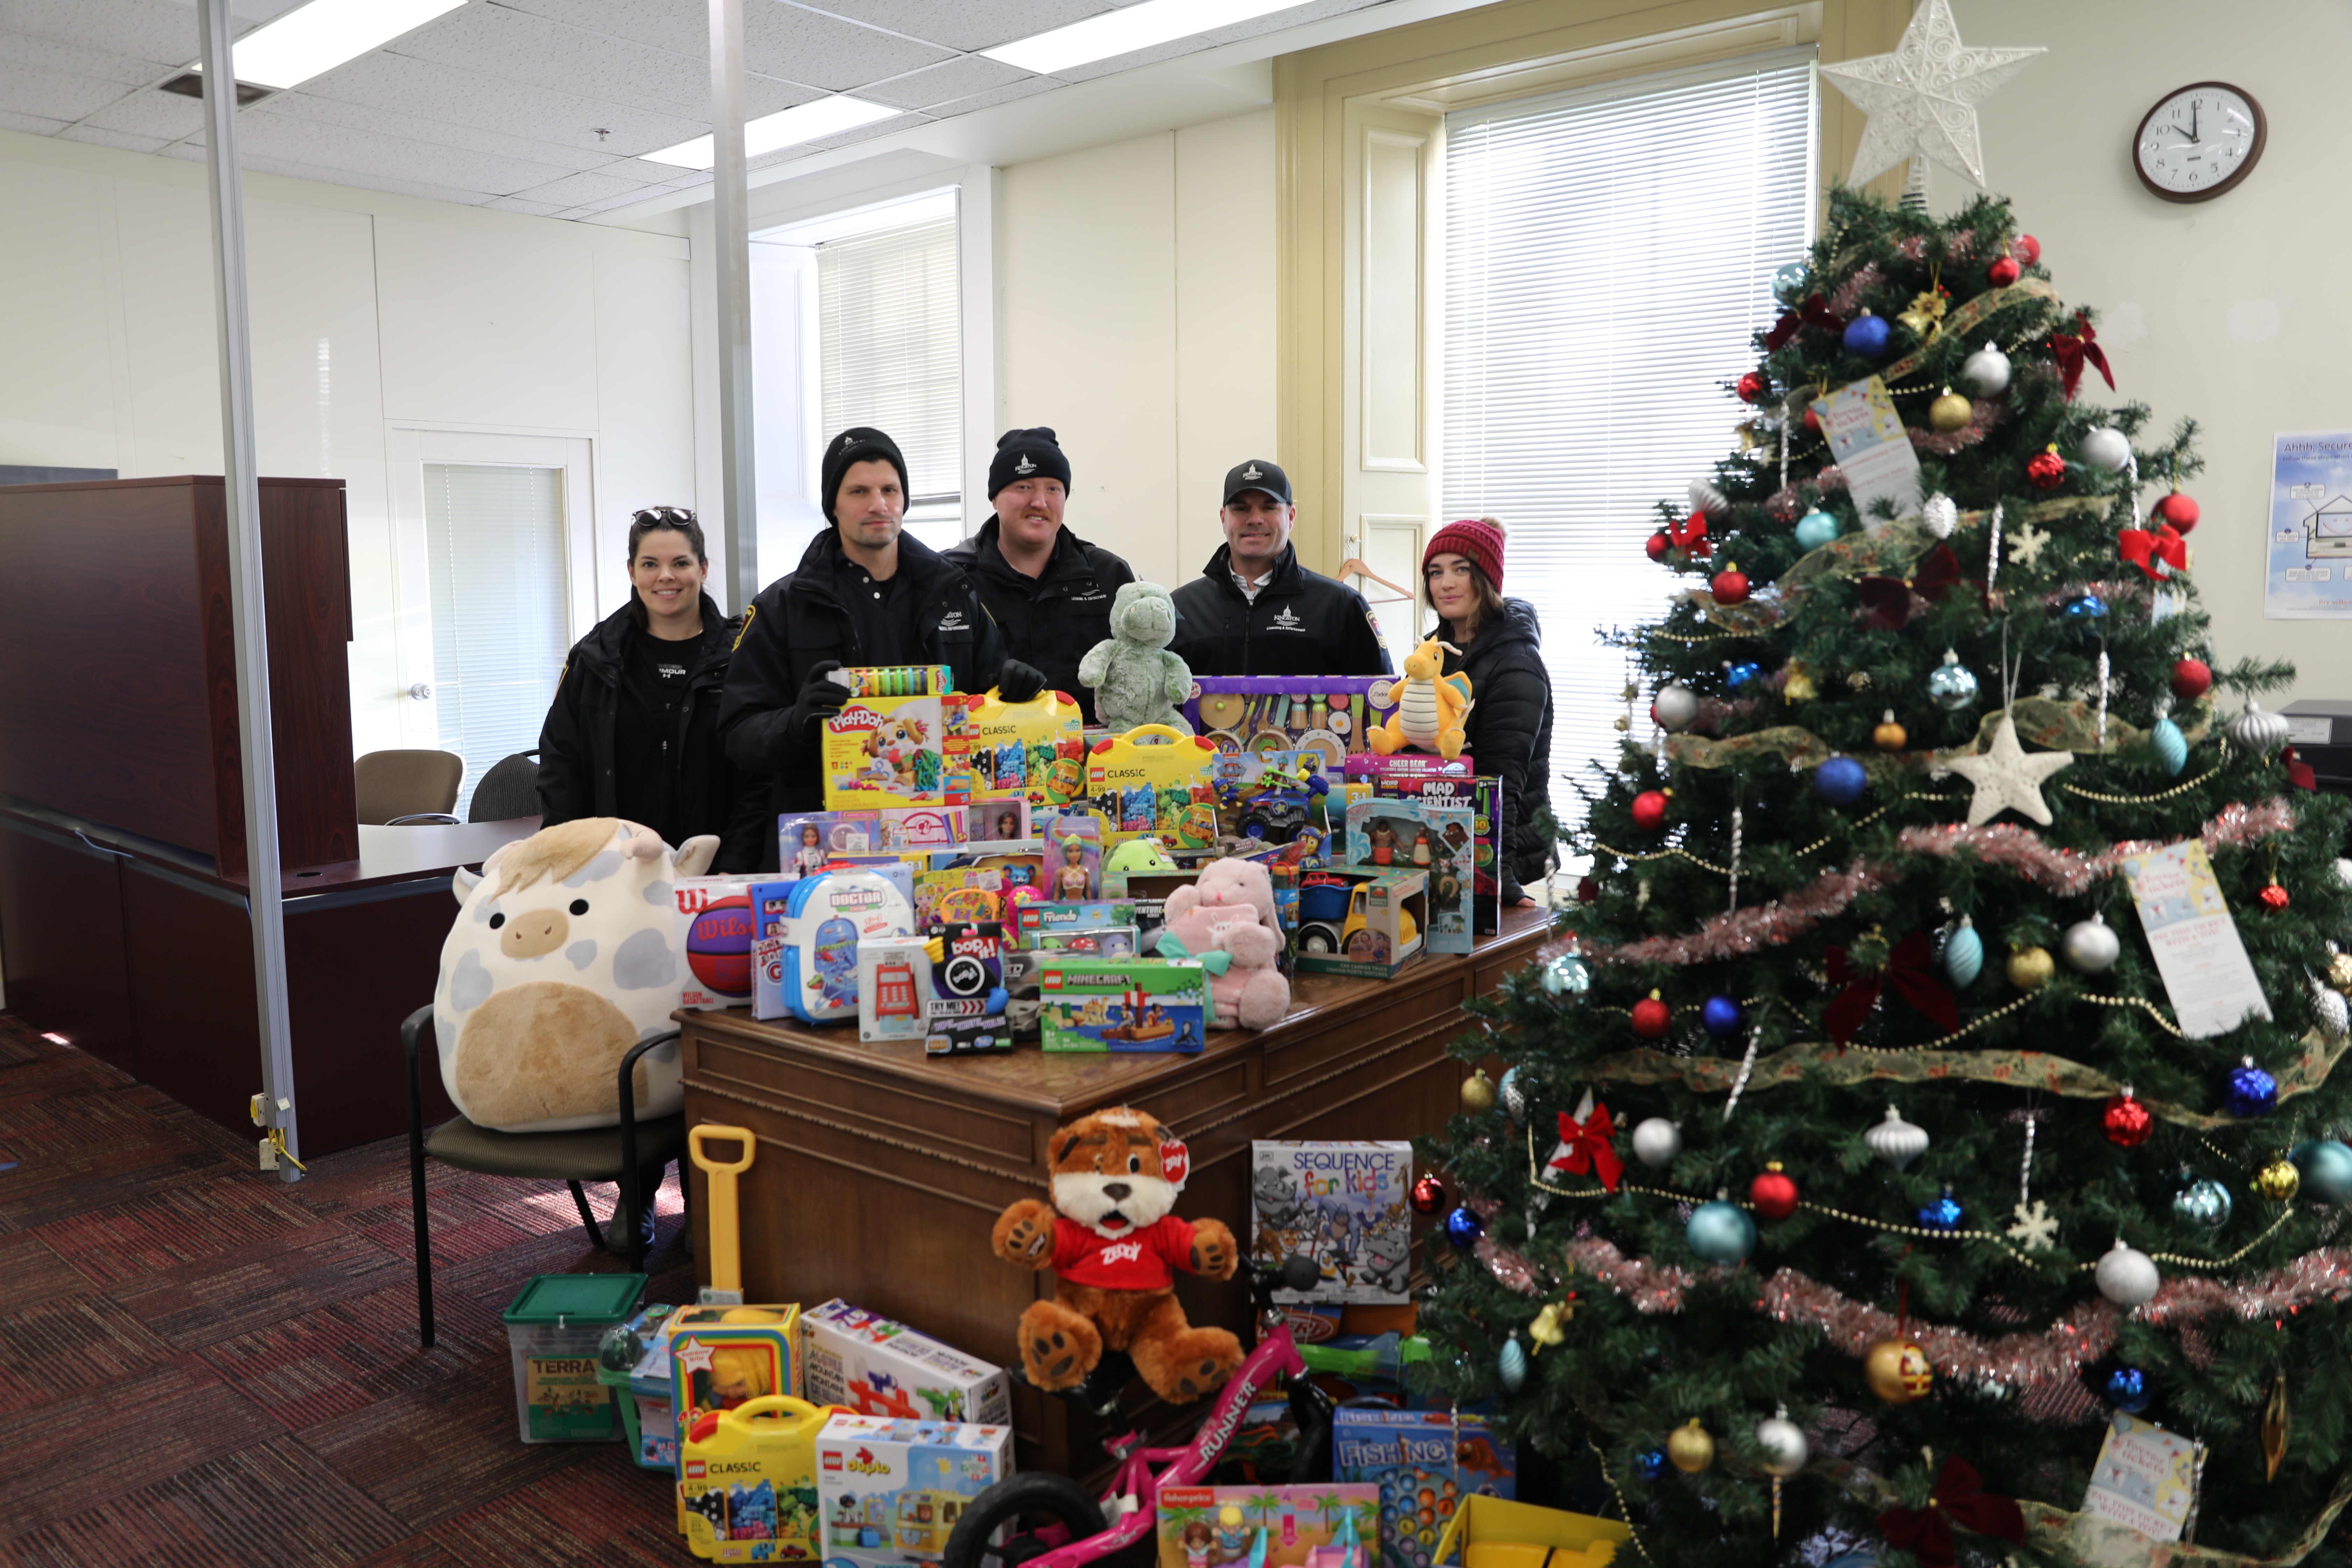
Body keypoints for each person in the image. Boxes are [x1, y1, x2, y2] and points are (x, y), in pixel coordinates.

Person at [720, 426, 1044, 869]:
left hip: (941, 843)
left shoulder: (954, 593)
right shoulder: (782, 607)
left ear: (905, 500)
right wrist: (795, 721)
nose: (878, 504)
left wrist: (1011, 691)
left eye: (890, 489)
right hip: (830, 845)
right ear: (832, 505)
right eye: (859, 491)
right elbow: (738, 734)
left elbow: (986, 698)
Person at [536, 505, 768, 872]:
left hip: (717, 872)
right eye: (649, 565)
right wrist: (570, 863)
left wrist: (735, 866)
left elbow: (763, 776)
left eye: (680, 563)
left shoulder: (743, 659)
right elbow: (561, 766)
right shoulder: (594, 658)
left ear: (702, 568)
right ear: (632, 571)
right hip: (614, 873)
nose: (665, 577)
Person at [944, 428, 1135, 722]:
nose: (1040, 502)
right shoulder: (952, 580)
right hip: (990, 757)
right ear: (995, 498)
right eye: (1023, 488)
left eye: (1053, 489)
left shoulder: (1108, 575)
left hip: (1095, 759)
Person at [1421, 518, 1555, 906]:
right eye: (1435, 571)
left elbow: (1502, 783)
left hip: (1490, 855)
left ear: (1487, 578)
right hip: (1440, 845)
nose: (1446, 583)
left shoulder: (1516, 663)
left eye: (1461, 569)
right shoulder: (1432, 653)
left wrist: (1501, 880)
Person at [1168, 458, 1393, 678]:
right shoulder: (1179, 610)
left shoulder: (1342, 608)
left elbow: (1379, 701)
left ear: (1291, 517)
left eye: (1269, 508)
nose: (1255, 519)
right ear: (1223, 518)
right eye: (1240, 509)